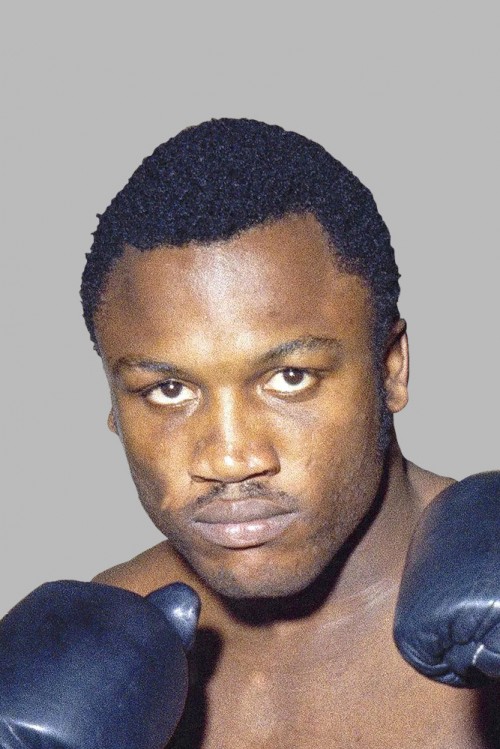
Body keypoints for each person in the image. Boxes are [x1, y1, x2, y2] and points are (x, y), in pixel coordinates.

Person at [81, 119, 497, 748]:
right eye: (168, 390)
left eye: (290, 378)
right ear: (114, 404)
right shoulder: (87, 659)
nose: (230, 459)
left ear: (391, 368)